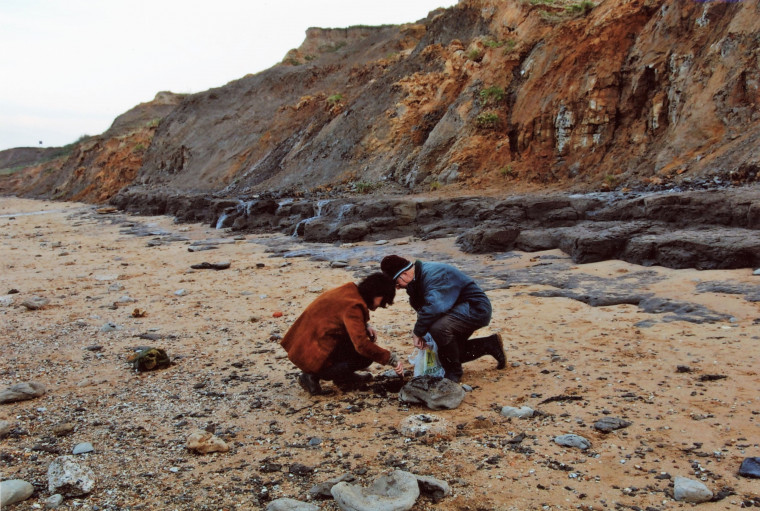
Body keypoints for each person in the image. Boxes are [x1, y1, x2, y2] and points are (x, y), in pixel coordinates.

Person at [381, 255, 506, 383]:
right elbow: (423, 308)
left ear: (405, 273)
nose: (397, 287)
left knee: (439, 329)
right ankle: (490, 344)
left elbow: (435, 307)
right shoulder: (413, 281)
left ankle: (454, 373)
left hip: (475, 307)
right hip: (454, 308)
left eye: (396, 283)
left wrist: (418, 331)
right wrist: (424, 333)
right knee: (444, 353)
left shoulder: (435, 274)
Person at [280, 272, 404, 395]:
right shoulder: (354, 307)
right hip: (311, 352)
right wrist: (391, 358)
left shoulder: (349, 290)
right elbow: (361, 345)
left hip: (303, 343)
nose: (381, 306)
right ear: (376, 293)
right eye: (383, 301)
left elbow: (338, 314)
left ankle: (344, 377)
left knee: (363, 343)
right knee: (365, 356)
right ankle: (312, 375)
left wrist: (366, 325)